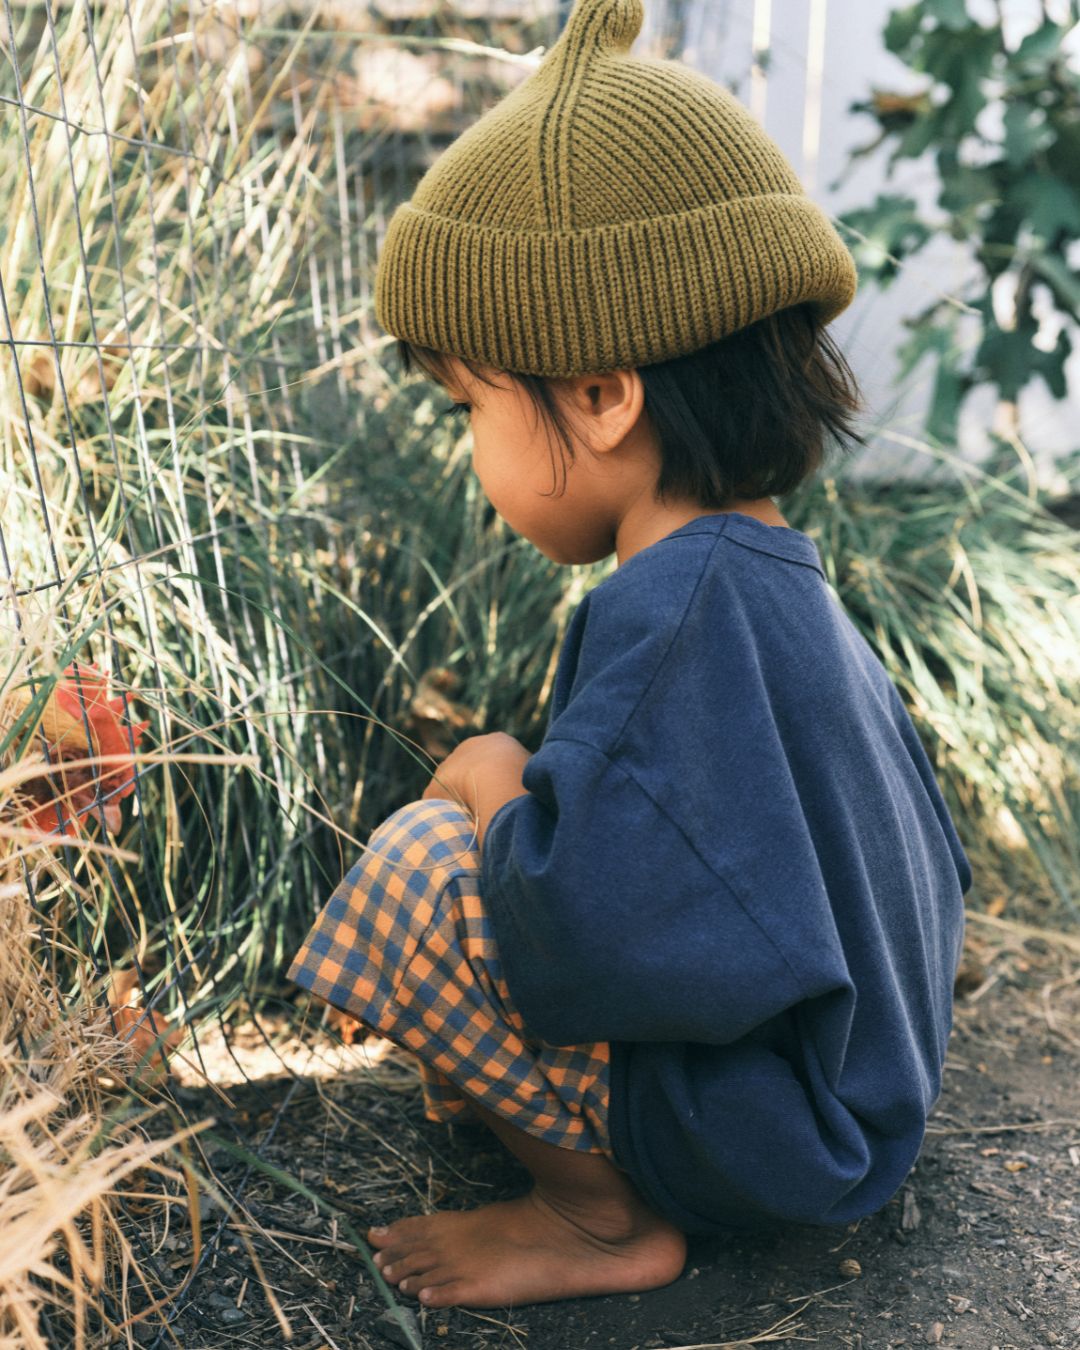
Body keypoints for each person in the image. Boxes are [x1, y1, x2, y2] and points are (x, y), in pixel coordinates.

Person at [287, 0, 973, 1312]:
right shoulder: (771, 582)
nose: (471, 448)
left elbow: (580, 932)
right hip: (846, 1100)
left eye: (471, 407)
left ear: (602, 394)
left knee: (425, 867)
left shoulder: (671, 613)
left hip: (777, 1137)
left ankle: (598, 1217)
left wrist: (492, 779)